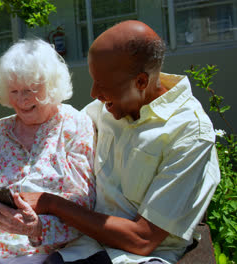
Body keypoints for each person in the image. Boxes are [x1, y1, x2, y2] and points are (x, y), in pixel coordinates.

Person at [22, 20, 221, 264]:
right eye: (94, 81)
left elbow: (143, 240)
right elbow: (56, 131)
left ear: (140, 83)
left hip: (140, 258)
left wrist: (52, 204)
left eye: (103, 85)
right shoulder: (106, 108)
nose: (94, 93)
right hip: (83, 247)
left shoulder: (189, 134)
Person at [0, 39, 96, 264]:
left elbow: (83, 204)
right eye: (14, 91)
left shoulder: (75, 125)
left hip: (46, 252)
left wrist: (37, 228)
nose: (22, 99)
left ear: (52, 86)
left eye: (31, 89)